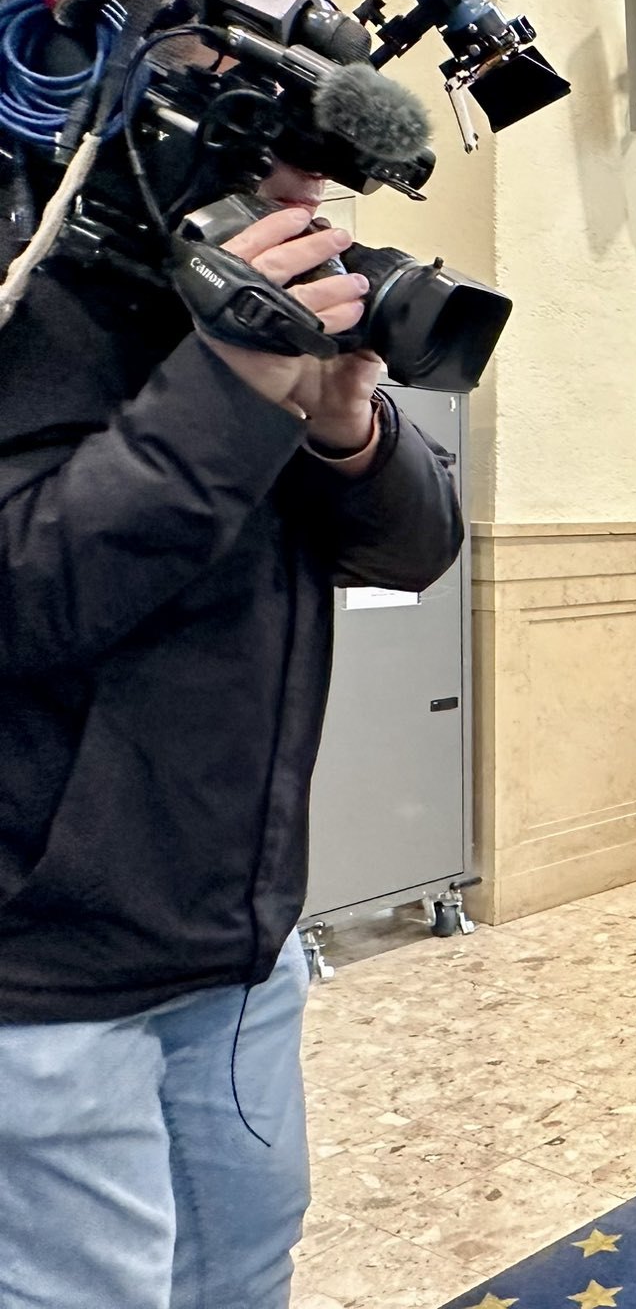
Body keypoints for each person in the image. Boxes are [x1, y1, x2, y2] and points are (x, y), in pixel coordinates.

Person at [0, 161, 464, 1308]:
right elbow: (28, 595)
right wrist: (228, 383)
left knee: (244, 1274)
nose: (303, 191)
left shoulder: (252, 332)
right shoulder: (34, 295)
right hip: (46, 978)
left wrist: (347, 430)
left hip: (240, 940)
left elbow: (415, 552)